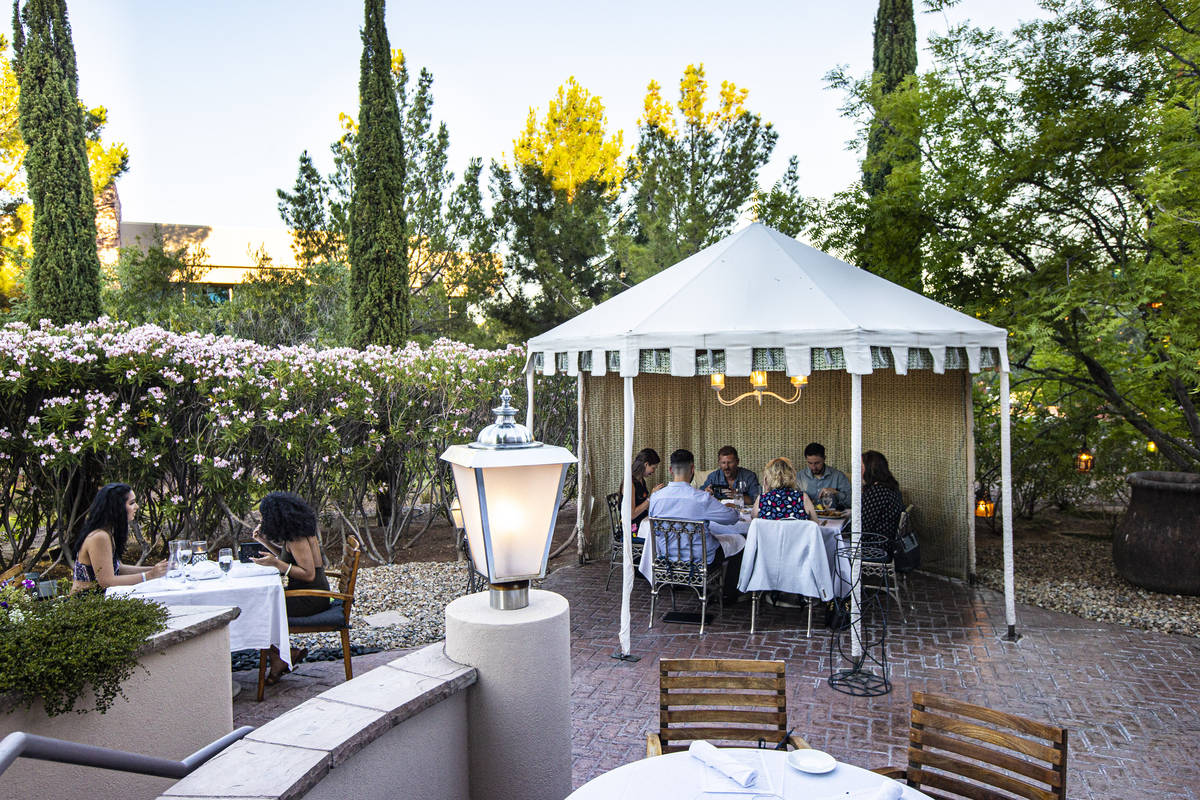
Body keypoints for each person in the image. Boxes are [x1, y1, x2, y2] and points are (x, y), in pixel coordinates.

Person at [252, 491, 331, 685]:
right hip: (311, 593)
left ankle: (279, 657)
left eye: (265, 517)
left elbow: (308, 573)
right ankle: (280, 655)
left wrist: (276, 564)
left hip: (311, 598)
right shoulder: (295, 534)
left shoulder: (297, 538)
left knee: (257, 611)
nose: (263, 520)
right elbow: (289, 557)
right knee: (261, 606)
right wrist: (264, 541)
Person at [649, 449, 744, 602]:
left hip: (666, 557)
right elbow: (731, 519)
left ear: (670, 470)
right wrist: (732, 509)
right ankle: (727, 594)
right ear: (692, 469)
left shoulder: (656, 498)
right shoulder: (701, 498)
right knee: (739, 541)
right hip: (701, 559)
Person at [70, 483, 166, 593]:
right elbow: (107, 582)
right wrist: (149, 575)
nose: (137, 507)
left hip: (101, 599)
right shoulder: (99, 537)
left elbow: (119, 569)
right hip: (86, 603)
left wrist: (158, 570)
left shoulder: (108, 532)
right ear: (116, 507)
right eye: (132, 503)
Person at [862, 450, 905, 554]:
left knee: (833, 546)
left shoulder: (877, 492)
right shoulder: (890, 487)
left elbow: (862, 528)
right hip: (888, 543)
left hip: (877, 547)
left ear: (870, 470)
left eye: (861, 468)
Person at [754, 457, 818, 522]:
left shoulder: (762, 499)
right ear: (792, 476)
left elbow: (754, 520)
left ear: (768, 478)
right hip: (795, 532)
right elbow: (815, 523)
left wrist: (766, 492)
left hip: (771, 532)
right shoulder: (803, 497)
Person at [799, 443, 851, 510]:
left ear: (824, 459)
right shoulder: (799, 477)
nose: (813, 467)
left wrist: (836, 493)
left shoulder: (838, 476)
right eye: (810, 463)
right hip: (807, 518)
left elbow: (852, 502)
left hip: (833, 518)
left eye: (817, 463)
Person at [621, 448, 665, 528]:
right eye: (653, 468)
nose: (653, 471)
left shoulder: (641, 480)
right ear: (646, 464)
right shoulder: (629, 483)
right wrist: (651, 498)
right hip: (633, 527)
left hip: (643, 521)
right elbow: (631, 515)